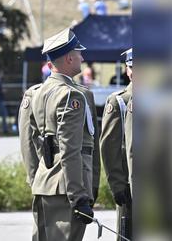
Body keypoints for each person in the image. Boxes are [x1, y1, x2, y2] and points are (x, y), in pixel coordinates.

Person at [21, 28, 96, 241]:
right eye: (79, 53)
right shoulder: (71, 95)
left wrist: (37, 179)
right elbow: (70, 148)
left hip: (45, 184)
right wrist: (78, 196)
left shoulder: (37, 92)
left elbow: (31, 141)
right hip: (67, 189)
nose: (82, 57)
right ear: (70, 58)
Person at [100, 48, 133, 240]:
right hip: (129, 184)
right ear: (128, 71)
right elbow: (109, 147)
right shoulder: (119, 101)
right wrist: (117, 185)